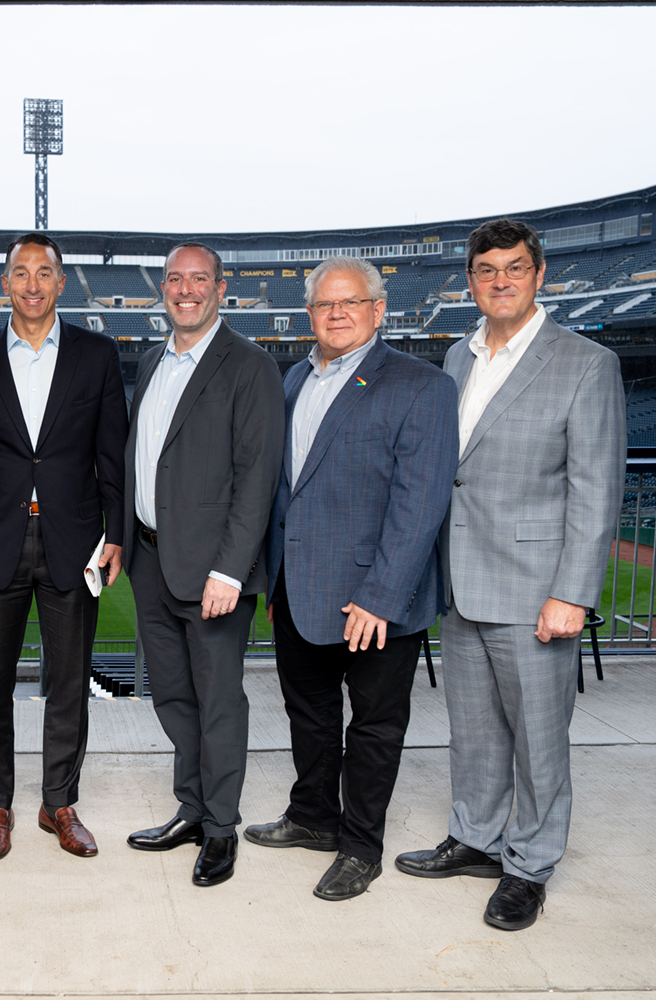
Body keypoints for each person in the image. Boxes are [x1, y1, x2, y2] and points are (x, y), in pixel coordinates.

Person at [394, 218, 626, 931]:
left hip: (535, 590)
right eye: (486, 270)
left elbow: (596, 488)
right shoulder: (457, 358)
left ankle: (529, 864)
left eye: (514, 268)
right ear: (470, 281)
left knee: (538, 736)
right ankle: (476, 834)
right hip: (460, 580)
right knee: (475, 730)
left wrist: (572, 593)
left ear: (540, 274)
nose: (500, 280)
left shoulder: (585, 362)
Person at [246, 256, 458, 902]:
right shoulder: (292, 380)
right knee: (308, 715)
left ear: (377, 310)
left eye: (350, 303)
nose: (336, 314)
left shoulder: (420, 385)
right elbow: (287, 491)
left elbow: (420, 506)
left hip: (374, 599)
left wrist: (381, 598)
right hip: (299, 591)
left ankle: (360, 847)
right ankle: (312, 815)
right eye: (323, 305)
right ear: (308, 314)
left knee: (372, 727)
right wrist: (272, 580)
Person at [0, 234, 127, 861]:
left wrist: (118, 534)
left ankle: (59, 803)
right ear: (5, 283)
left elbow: (113, 454)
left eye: (43, 273)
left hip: (73, 542)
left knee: (70, 681)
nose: (31, 284)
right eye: (20, 273)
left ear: (60, 283)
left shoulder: (97, 355)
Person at [123, 242, 286, 887]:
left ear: (221, 288)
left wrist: (230, 570)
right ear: (162, 289)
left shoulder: (250, 365)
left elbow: (257, 477)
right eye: (174, 279)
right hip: (150, 560)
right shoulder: (149, 361)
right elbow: (145, 460)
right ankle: (192, 808)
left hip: (213, 572)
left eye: (198, 280)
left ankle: (221, 828)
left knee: (218, 703)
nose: (184, 290)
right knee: (172, 696)